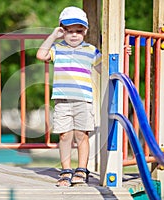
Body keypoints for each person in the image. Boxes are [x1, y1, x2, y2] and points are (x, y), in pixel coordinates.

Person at [36, 6, 101, 187]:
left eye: (78, 31)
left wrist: (122, 52)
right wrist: (53, 36)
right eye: (69, 31)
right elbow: (41, 55)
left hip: (83, 100)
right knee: (64, 136)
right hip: (62, 100)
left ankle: (81, 169)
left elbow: (107, 69)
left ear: (85, 31)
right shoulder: (58, 48)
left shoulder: (90, 50)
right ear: (62, 31)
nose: (74, 35)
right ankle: (66, 171)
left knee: (82, 135)